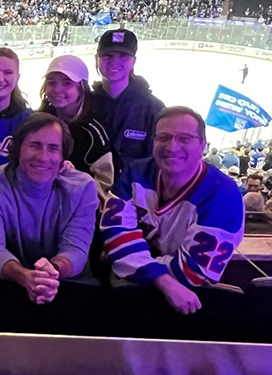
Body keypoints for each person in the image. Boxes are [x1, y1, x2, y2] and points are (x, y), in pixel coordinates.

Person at [100, 106, 244, 315]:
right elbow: (114, 237)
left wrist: (131, 259)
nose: (172, 147)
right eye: (163, 138)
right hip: (129, 299)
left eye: (185, 139)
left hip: (189, 304)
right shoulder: (134, 173)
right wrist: (162, 279)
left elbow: (192, 274)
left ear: (203, 145)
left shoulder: (223, 195)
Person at [0, 113, 98, 304]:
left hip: (66, 287)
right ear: (17, 148)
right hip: (9, 286)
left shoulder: (83, 187)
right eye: (34, 145)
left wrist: (48, 274)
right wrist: (24, 276)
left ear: (62, 156)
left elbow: (76, 251)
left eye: (53, 148)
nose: (43, 157)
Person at [38, 55, 114, 200]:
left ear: (81, 88)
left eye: (67, 83)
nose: (57, 90)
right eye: (51, 83)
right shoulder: (37, 122)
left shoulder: (92, 133)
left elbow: (104, 184)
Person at [91, 29, 164, 176]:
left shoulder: (153, 109)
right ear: (96, 59)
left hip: (134, 195)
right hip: (90, 193)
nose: (114, 62)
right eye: (108, 55)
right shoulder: (85, 105)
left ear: (134, 61)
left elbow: (158, 163)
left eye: (123, 56)